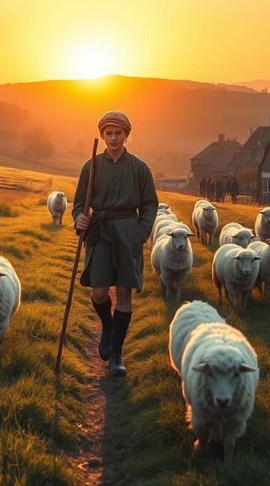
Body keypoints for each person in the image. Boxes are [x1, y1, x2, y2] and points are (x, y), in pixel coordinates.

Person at [72, 110, 158, 377]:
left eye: (118, 133)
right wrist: (79, 220)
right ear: (102, 135)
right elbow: (78, 205)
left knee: (123, 293)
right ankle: (107, 329)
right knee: (99, 292)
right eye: (108, 133)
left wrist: (141, 232)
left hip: (128, 232)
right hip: (100, 231)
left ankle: (117, 354)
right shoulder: (91, 166)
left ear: (126, 135)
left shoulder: (140, 168)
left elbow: (150, 204)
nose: (113, 138)